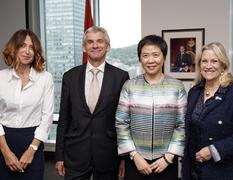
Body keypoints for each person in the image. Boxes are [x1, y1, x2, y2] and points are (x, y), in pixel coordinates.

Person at [55, 26, 129, 180]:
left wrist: (124, 158)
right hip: (75, 155)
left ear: (107, 46)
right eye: (90, 42)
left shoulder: (121, 77)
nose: (95, 45)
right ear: (84, 47)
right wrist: (59, 156)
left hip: (109, 155)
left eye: (100, 41)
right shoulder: (69, 77)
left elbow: (125, 121)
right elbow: (64, 119)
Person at [115, 34, 187, 180]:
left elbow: (182, 124)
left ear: (164, 57)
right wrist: (134, 155)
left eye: (155, 55)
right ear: (140, 58)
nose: (150, 60)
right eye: (145, 55)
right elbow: (121, 123)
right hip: (135, 161)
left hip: (166, 162)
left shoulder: (177, 86)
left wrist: (168, 157)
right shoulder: (130, 86)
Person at [0, 29, 54, 180]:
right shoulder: (1, 78)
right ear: (14, 48)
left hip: (33, 142)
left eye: (31, 47)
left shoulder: (45, 78)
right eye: (22, 46)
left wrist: (32, 150)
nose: (27, 51)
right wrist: (6, 152)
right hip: (3, 141)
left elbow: (47, 117)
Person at [182, 42, 233, 180]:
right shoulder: (194, 92)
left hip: (221, 171)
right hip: (192, 170)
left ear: (223, 65)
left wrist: (214, 150)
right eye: (204, 61)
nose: (208, 66)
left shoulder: (230, 93)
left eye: (214, 61)